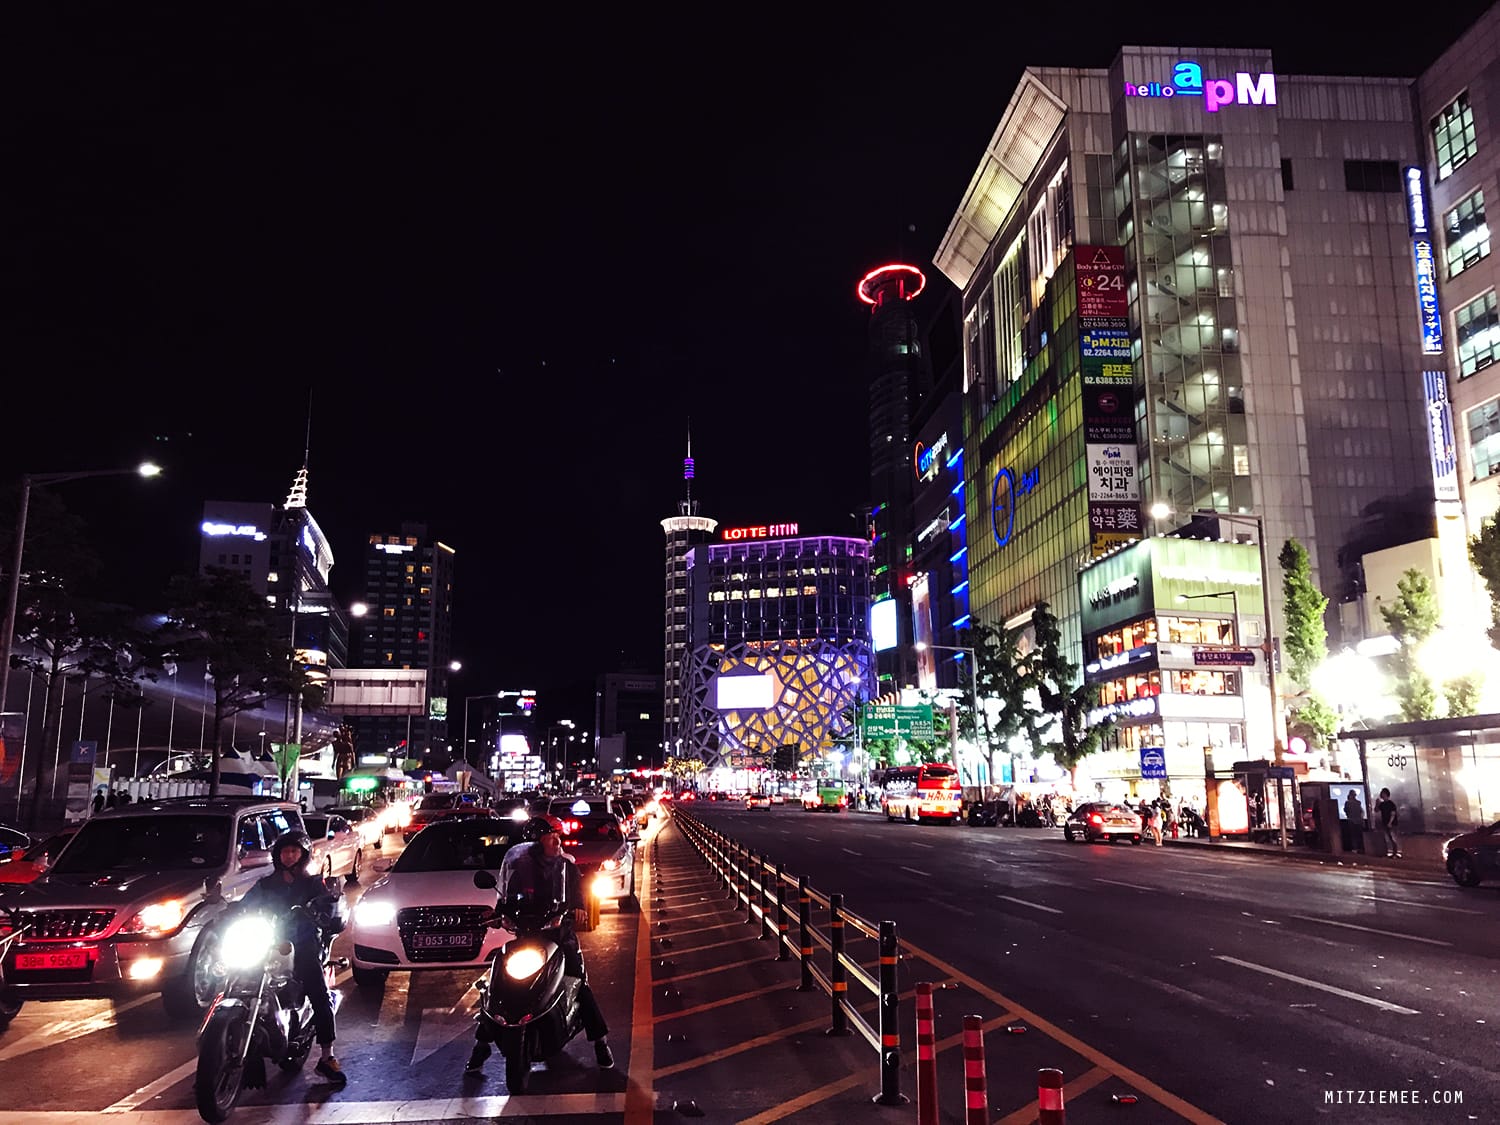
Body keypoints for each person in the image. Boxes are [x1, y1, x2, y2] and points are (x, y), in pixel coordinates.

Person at [467, 817, 614, 1073]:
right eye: (550, 836)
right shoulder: (520, 869)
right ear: (536, 842)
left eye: (557, 835)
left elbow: (577, 893)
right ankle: (481, 1045)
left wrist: (578, 908)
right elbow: (506, 900)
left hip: (559, 937)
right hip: (525, 936)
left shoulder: (566, 866)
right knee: (496, 984)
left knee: (579, 984)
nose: (556, 840)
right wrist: (497, 915)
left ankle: (601, 1043)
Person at [238, 830, 347, 1084]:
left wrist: (321, 909)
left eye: (294, 851)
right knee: (235, 977)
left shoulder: (312, 883)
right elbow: (246, 903)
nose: (289, 856)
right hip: (266, 942)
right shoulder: (266, 884)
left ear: (303, 855)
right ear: (278, 855)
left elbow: (327, 903)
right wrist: (226, 912)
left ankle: (327, 1056)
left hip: (301, 943)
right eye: (285, 851)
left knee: (318, 994)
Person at [1376, 787, 1401, 857]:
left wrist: (1390, 822)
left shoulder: (1391, 804)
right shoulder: (1382, 804)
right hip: (1385, 823)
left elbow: (1393, 814)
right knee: (1388, 838)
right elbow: (1376, 810)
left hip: (1392, 824)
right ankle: (1391, 852)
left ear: (1385, 794)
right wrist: (1377, 803)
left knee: (1393, 838)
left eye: (1382, 793)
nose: (1381, 794)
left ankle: (1396, 852)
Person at [1342, 789, 1366, 854]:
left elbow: (1346, 810)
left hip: (1351, 821)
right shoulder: (1358, 802)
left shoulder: (1347, 803)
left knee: (1353, 836)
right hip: (1359, 821)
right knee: (1359, 835)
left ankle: (1355, 849)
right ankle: (1361, 848)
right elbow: (1361, 812)